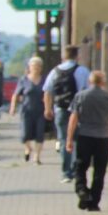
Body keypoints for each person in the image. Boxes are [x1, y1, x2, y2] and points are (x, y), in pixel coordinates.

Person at [66, 70, 108, 211]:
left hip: (85, 136)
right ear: (103, 82)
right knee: (100, 171)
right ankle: (94, 202)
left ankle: (82, 190)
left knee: (81, 167)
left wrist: (69, 139)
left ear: (90, 81)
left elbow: (73, 118)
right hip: (103, 137)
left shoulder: (81, 96)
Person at [43, 45, 91, 183]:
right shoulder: (83, 71)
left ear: (64, 56)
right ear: (77, 56)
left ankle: (66, 173)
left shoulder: (55, 71)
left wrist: (48, 109)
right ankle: (77, 170)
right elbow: (88, 90)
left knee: (64, 140)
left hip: (61, 109)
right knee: (78, 140)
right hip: (79, 110)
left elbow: (47, 91)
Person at [8, 55, 47, 163]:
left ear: (41, 67)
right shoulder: (23, 80)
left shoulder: (44, 80)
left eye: (38, 66)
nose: (35, 68)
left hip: (40, 111)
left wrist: (48, 108)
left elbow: (49, 94)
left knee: (39, 134)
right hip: (27, 111)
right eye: (33, 66)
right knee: (25, 135)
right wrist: (13, 108)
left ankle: (37, 157)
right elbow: (16, 95)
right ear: (29, 67)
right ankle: (28, 148)